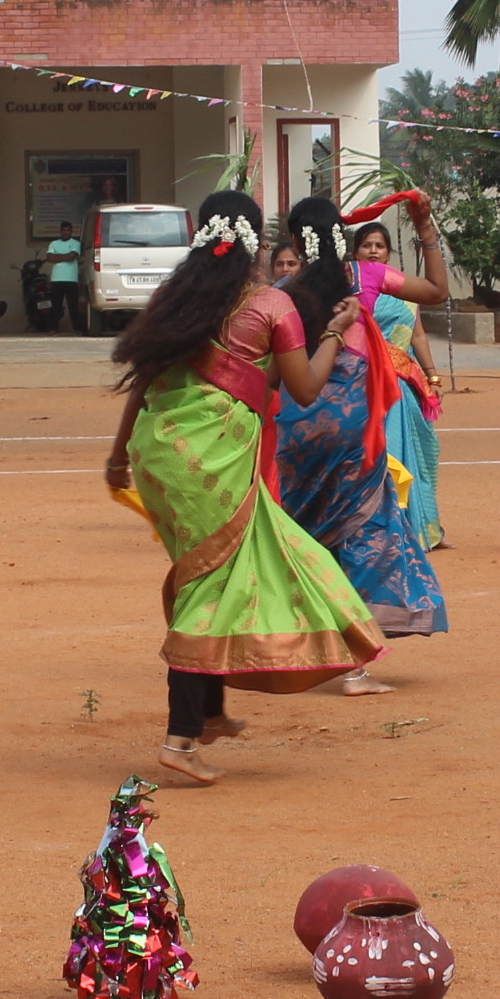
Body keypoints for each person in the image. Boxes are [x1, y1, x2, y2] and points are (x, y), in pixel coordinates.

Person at [103, 188, 384, 783]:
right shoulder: (270, 306)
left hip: (161, 452)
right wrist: (336, 330)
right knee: (211, 587)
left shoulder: (174, 298)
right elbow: (305, 389)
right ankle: (180, 740)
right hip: (216, 458)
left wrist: (117, 455)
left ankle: (210, 712)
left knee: (210, 569)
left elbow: (143, 377)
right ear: (256, 241)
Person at [270, 194, 450, 692]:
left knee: (303, 534)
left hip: (298, 426)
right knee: (362, 534)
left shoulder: (282, 289)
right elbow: (436, 290)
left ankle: (293, 648)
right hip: (352, 429)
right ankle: (352, 667)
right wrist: (424, 227)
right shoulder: (362, 278)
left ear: (295, 241)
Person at [353, 219, 449, 550]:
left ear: (389, 253)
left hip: (404, 387)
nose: (373, 251)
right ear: (355, 252)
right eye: (367, 245)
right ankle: (383, 528)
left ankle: (419, 527)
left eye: (379, 245)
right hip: (370, 386)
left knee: (419, 451)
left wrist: (432, 376)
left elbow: (417, 334)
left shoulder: (403, 290)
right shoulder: (353, 288)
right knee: (385, 453)